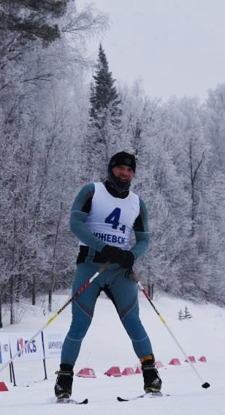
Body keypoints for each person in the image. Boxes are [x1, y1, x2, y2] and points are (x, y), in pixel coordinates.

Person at [55, 151, 161, 399]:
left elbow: (144, 240)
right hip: (91, 264)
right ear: (111, 169)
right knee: (79, 324)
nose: (124, 174)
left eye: (129, 170)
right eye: (120, 169)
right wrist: (104, 248)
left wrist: (131, 255)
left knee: (133, 321)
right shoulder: (91, 192)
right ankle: (64, 382)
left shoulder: (137, 203)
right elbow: (75, 225)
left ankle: (151, 378)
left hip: (119, 270)